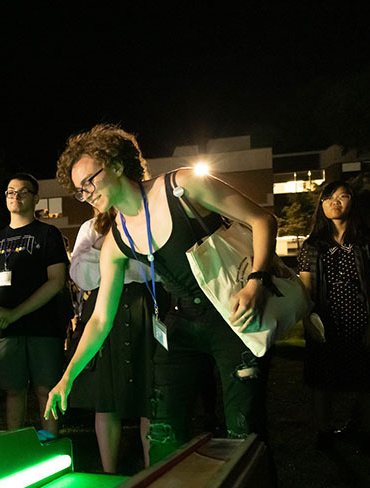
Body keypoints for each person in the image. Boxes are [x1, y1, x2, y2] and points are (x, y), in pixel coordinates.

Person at [45, 125, 278, 462]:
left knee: (245, 434)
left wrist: (256, 281)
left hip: (234, 317)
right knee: (162, 434)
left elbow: (262, 220)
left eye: (89, 181)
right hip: (181, 325)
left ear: (115, 165)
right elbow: (99, 320)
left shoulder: (182, 185)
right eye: (80, 190)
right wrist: (68, 377)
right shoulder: (115, 241)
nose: (86, 193)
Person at [0, 172, 71, 435]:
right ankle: (15, 447)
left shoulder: (48, 234)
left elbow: (56, 281)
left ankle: (52, 445)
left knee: (47, 389)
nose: (15, 196)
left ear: (35, 199)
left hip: (43, 326)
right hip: (7, 330)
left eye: (22, 192)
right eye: (10, 191)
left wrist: (15, 313)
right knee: (13, 391)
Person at [299, 181, 370, 437]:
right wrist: (308, 321)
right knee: (321, 380)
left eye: (342, 196)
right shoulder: (312, 245)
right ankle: (323, 431)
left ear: (353, 201)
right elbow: (306, 287)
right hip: (325, 321)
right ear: (322, 205)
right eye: (329, 197)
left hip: (362, 318)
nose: (335, 201)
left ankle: (367, 432)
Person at [69, 213, 154, 471]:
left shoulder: (145, 218)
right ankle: (109, 472)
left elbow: (153, 269)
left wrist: (103, 259)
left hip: (144, 305)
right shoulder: (89, 226)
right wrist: (118, 255)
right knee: (105, 396)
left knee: (150, 394)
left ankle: (154, 468)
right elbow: (81, 275)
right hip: (104, 308)